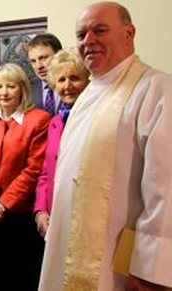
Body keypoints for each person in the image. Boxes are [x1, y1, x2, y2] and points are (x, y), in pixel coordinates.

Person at [39, 2, 172, 290]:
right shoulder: (87, 95)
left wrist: (152, 269)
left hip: (119, 259)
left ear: (129, 33)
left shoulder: (157, 89)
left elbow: (165, 187)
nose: (89, 41)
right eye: (81, 34)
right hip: (68, 246)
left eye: (100, 30)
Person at [0, 63, 50, 291]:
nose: (4, 92)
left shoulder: (38, 119)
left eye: (10, 86)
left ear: (22, 89)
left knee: (24, 277)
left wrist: (3, 205)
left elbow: (34, 169)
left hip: (20, 215)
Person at [34, 48, 90, 238]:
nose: (67, 86)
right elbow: (45, 172)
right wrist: (40, 211)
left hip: (84, 216)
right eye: (61, 80)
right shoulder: (55, 122)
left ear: (88, 79)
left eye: (75, 78)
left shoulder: (96, 118)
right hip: (54, 215)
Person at [26, 33, 63, 115]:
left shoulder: (75, 85)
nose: (38, 66)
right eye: (33, 61)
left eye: (43, 58)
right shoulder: (27, 90)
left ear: (59, 55)